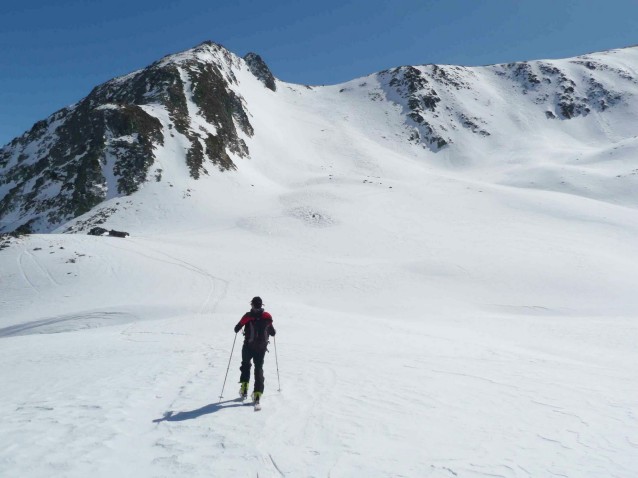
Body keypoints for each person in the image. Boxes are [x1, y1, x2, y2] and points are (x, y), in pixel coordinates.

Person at [234, 296, 276, 405]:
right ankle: (257, 393)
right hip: (261, 348)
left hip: (248, 346)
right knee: (258, 368)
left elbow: (236, 328)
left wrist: (240, 327)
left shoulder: (248, 316)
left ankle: (244, 388)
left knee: (246, 365)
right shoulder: (267, 317)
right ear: (261, 305)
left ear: (252, 304)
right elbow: (272, 332)